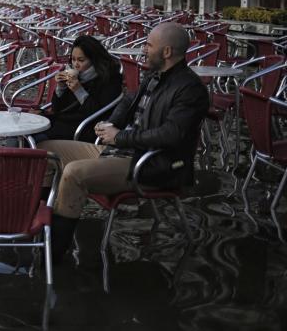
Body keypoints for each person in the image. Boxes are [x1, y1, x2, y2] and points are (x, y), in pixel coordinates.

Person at [47, 22, 209, 260]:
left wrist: (120, 137)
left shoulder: (190, 89)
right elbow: (127, 101)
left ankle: (53, 254)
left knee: (73, 174)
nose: (143, 50)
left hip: (152, 165)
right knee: (45, 152)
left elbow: (170, 135)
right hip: (121, 152)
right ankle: (42, 225)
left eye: (149, 45)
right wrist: (110, 124)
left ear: (166, 52)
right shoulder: (155, 76)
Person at [35, 35, 123, 144]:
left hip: (84, 130)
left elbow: (97, 116)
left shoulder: (109, 80)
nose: (76, 64)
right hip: (64, 123)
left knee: (36, 138)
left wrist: (79, 91)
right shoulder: (78, 76)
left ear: (94, 60)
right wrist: (61, 88)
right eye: (73, 59)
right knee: (28, 131)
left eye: (81, 60)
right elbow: (56, 109)